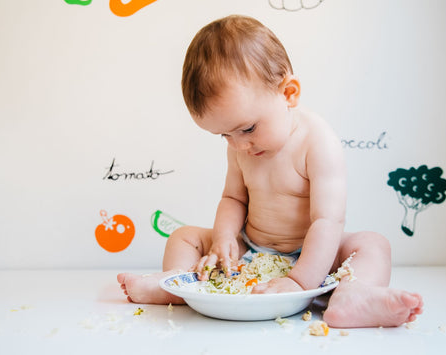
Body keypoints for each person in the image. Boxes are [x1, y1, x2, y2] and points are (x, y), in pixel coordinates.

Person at [117, 15, 423, 328]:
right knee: (184, 237)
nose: (238, 145)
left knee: (373, 245)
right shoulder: (242, 146)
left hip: (314, 254)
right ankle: (179, 283)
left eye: (247, 128)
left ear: (289, 93)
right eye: (225, 135)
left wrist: (301, 281)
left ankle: (354, 294)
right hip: (251, 249)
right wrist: (224, 239)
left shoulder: (317, 142)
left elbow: (327, 220)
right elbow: (233, 198)